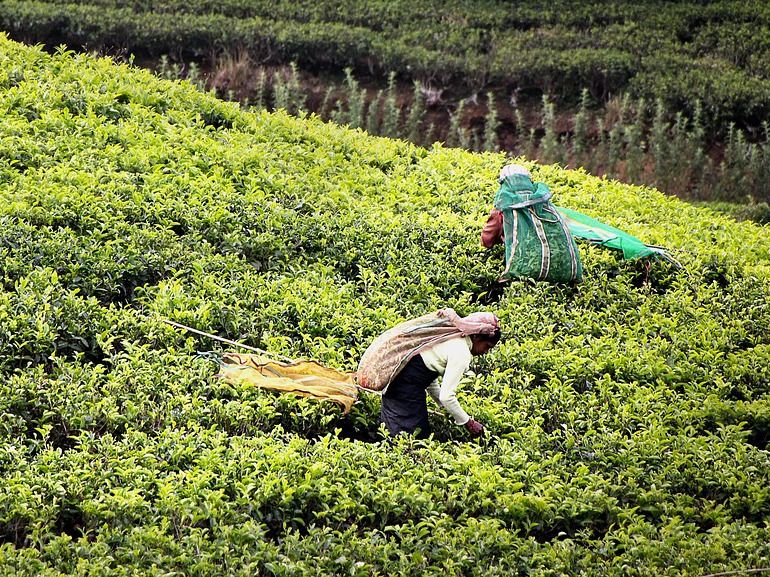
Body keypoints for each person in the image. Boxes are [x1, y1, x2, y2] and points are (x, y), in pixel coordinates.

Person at [375, 310, 501, 439]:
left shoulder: (450, 337)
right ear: (477, 337)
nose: (485, 352)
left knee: (393, 432)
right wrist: (469, 423)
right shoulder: (461, 352)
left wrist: (445, 408)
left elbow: (428, 377)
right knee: (413, 436)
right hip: (405, 388)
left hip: (397, 381)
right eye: (487, 346)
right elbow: (447, 396)